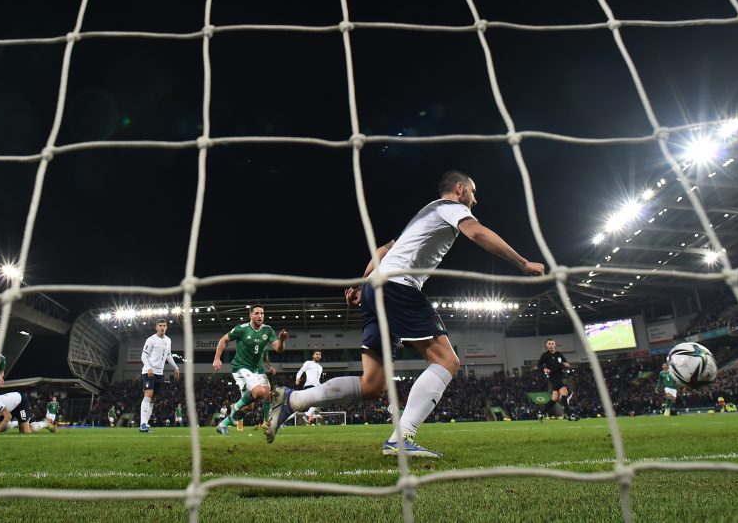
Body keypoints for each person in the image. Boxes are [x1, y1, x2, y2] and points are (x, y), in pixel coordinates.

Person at [266, 171, 545, 456]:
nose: (475, 198)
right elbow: (477, 233)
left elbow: (383, 250)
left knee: (372, 384)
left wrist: (364, 284)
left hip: (377, 288)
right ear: (459, 189)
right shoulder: (451, 208)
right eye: (473, 191)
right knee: (447, 361)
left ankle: (293, 400)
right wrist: (522, 263)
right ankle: (401, 438)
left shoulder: (423, 215)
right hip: (398, 286)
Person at [214, 305, 289, 435]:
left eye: (262, 313)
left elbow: (279, 349)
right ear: (250, 315)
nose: (260, 316)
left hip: (257, 370)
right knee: (259, 392)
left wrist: (281, 340)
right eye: (257, 313)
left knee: (255, 402)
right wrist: (217, 358)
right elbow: (223, 339)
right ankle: (235, 407)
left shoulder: (268, 330)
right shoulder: (241, 329)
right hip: (241, 367)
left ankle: (264, 423)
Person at [140, 320, 180, 432]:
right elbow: (144, 355)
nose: (162, 327)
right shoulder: (151, 339)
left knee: (153, 399)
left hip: (159, 373)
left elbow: (168, 355)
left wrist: (176, 367)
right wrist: (148, 367)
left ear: (166, 328)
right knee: (148, 395)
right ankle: (142, 424)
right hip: (149, 372)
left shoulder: (168, 340)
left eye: (164, 326)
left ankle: (146, 424)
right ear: (156, 327)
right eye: (160, 326)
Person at [537, 338, 577, 421]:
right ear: (547, 346)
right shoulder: (545, 355)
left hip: (560, 376)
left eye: (552, 343)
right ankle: (569, 415)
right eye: (549, 344)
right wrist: (544, 369)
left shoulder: (559, 354)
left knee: (555, 398)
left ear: (555, 345)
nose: (551, 345)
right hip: (553, 377)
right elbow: (539, 365)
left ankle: (541, 413)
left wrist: (566, 364)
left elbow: (565, 362)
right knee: (564, 391)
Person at [296, 351, 324, 425]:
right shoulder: (308, 363)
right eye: (316, 354)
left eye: (319, 354)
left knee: (321, 402)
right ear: (313, 356)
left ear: (321, 356)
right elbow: (300, 371)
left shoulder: (320, 368)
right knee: (318, 402)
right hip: (309, 386)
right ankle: (309, 415)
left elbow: (317, 380)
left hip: (316, 387)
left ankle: (313, 414)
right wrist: (297, 379)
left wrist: (322, 386)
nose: (318, 356)